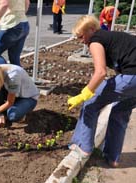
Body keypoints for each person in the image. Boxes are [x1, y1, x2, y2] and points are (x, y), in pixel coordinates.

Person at [68, 15, 136, 168]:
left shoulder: (96, 39)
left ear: (91, 30)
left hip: (132, 76)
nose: (82, 41)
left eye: (82, 36)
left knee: (91, 103)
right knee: (120, 112)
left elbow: (100, 72)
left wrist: (84, 93)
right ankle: (113, 158)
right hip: (133, 79)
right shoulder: (112, 37)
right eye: (78, 38)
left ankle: (83, 147)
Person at [0, 0, 30, 66]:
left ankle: (6, 74)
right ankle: (18, 75)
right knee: (14, 57)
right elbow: (27, 2)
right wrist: (20, 15)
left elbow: (4, 4)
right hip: (24, 23)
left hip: (11, 25)